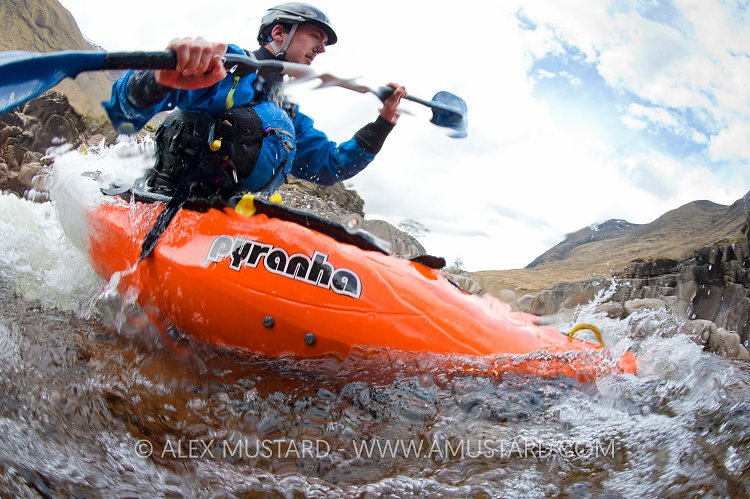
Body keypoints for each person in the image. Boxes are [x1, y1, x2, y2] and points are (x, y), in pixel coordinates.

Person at [104, 2, 406, 198]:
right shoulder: (224, 68)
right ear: (279, 32)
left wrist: (384, 123)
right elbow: (125, 108)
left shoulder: (286, 114)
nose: (322, 49)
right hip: (166, 198)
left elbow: (329, 166)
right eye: (316, 37)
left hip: (223, 213)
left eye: (324, 44)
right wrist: (161, 75)